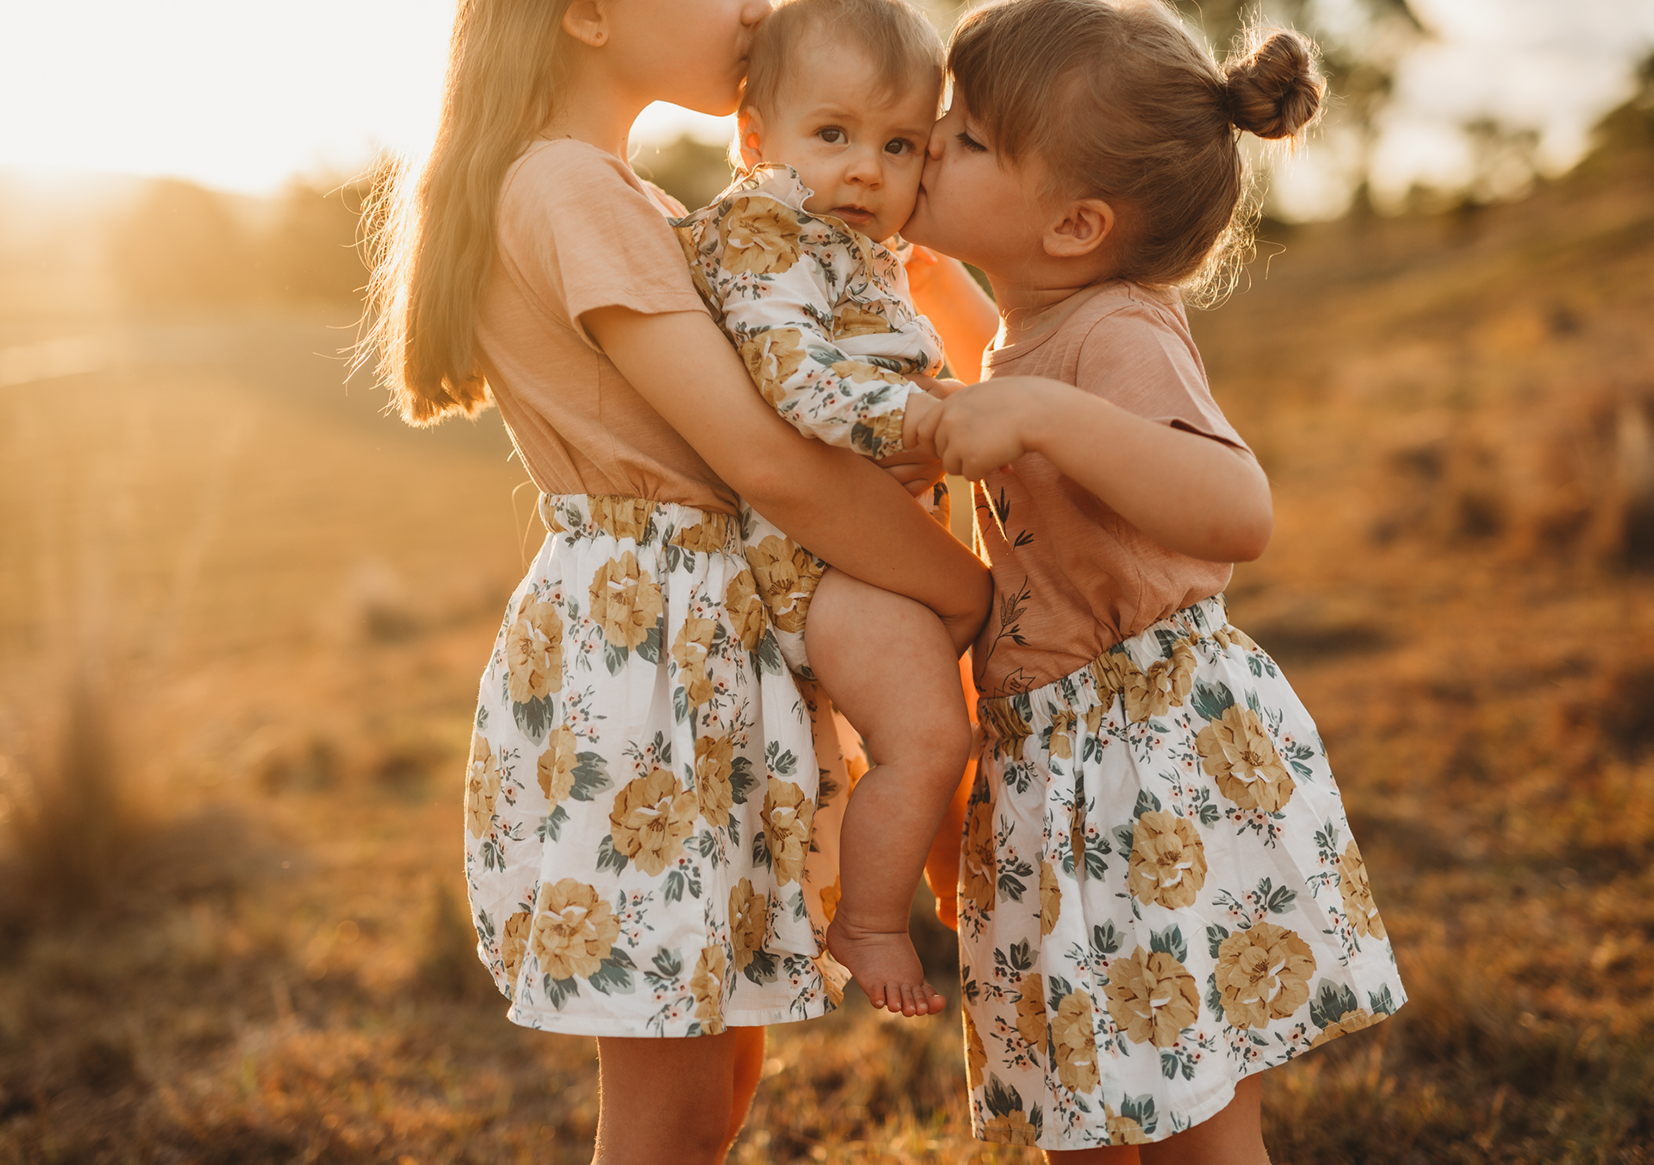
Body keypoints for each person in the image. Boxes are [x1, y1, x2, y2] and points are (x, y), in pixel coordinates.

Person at [358, 2, 998, 1162]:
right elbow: (762, 459)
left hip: (689, 637)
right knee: (666, 1094)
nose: (755, 7)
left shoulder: (625, 195)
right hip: (653, 655)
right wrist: (965, 592)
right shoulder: (570, 191)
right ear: (590, 15)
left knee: (716, 1054)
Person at [901, 0, 1408, 1158]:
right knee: (1086, 1088)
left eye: (969, 137)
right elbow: (1024, 376)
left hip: (1145, 756)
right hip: (1066, 760)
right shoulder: (1040, 327)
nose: (932, 140)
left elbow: (1237, 508)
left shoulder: (1115, 333)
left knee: (1191, 1108)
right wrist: (936, 288)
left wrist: (1041, 412)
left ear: (1075, 224)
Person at [672, 0, 970, 1019]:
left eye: (899, 145)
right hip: (819, 562)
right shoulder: (763, 229)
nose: (865, 171)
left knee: (952, 719)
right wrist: (933, 427)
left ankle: (946, 865)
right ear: (757, 140)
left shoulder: (855, 247)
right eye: (832, 134)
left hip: (870, 546)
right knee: (931, 736)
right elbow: (793, 376)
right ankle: (873, 922)